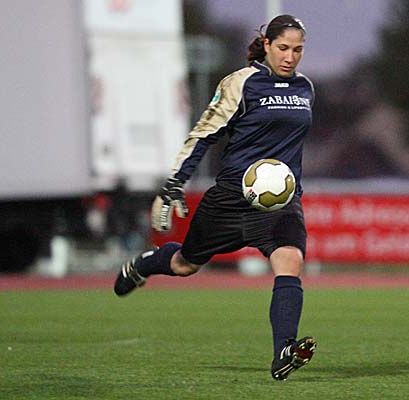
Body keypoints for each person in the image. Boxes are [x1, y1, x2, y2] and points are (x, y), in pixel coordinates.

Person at [113, 14, 316, 381]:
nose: (290, 57)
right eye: (283, 48)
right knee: (185, 265)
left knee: (290, 260)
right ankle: (144, 264)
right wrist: (173, 185)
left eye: (298, 50)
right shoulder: (241, 83)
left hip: (280, 203)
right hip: (230, 200)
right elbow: (203, 135)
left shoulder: (305, 88)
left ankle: (284, 351)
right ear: (267, 45)